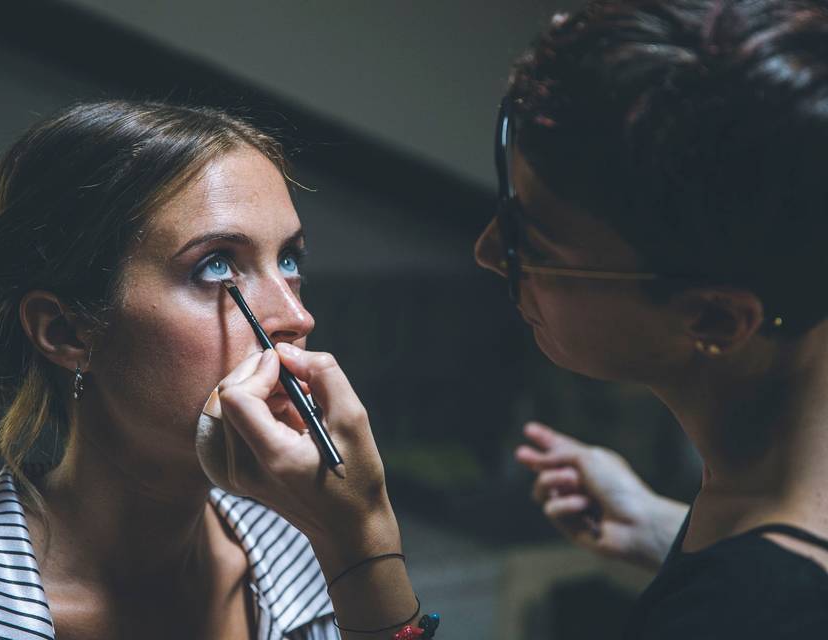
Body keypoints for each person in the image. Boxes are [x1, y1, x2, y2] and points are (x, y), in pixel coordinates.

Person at [208, 0, 828, 637]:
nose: (486, 254)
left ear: (716, 319)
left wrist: (359, 536)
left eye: (531, 245)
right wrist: (663, 528)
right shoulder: (768, 525)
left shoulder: (753, 613)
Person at [0, 100, 416, 640]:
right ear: (66, 331)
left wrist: (365, 539)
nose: (298, 317)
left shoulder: (319, 553)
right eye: (216, 264)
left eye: (289, 260)